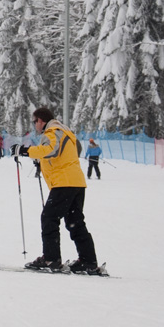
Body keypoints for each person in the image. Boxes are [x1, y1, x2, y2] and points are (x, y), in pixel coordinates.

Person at [15, 106, 100, 273]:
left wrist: (25, 151)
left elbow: (51, 150)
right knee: (75, 222)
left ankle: (51, 259)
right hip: (76, 182)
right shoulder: (65, 131)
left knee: (49, 217)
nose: (35, 126)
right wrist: (44, 161)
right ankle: (88, 261)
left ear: (41, 121)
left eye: (35, 122)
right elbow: (72, 151)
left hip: (64, 183)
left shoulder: (52, 131)